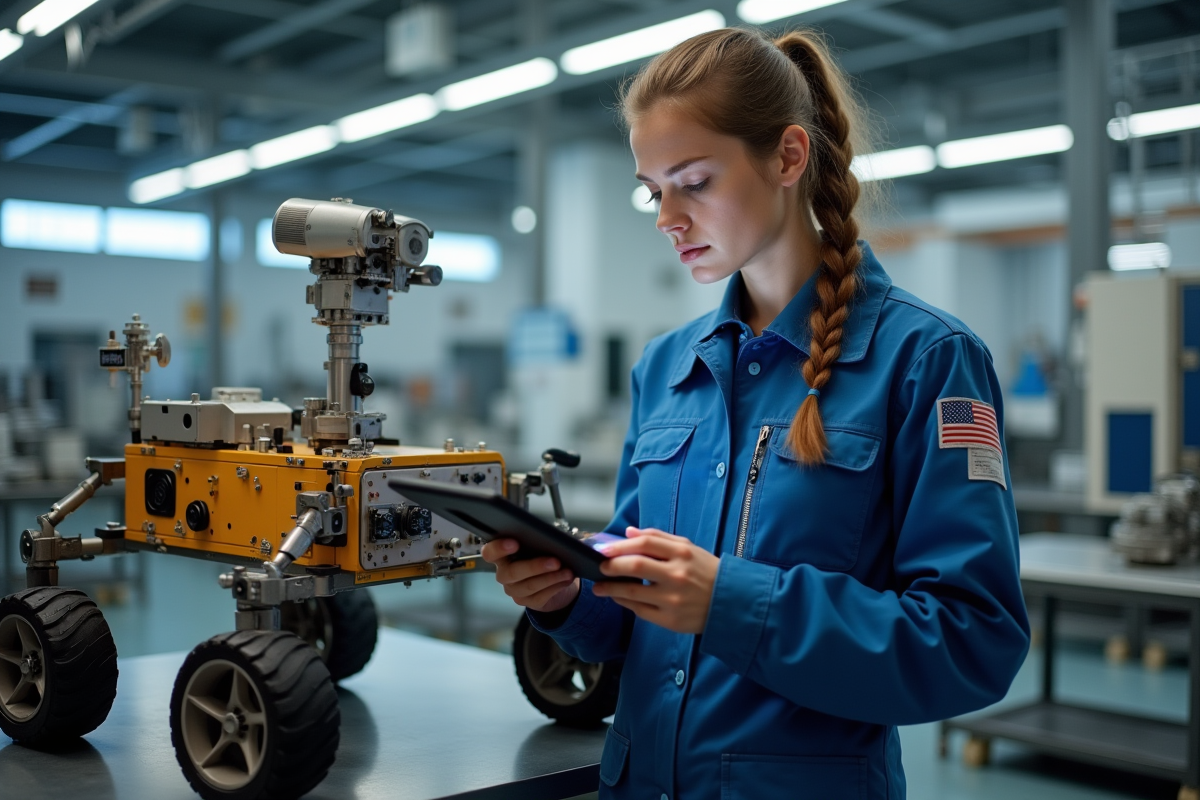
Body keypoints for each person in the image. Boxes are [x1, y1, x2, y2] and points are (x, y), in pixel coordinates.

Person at [482, 26, 1030, 800]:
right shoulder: (668, 368)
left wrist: (734, 604)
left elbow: (973, 643)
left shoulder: (927, 362)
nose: (667, 215)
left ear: (788, 158)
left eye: (694, 180)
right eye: (651, 189)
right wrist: (570, 596)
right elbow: (637, 605)